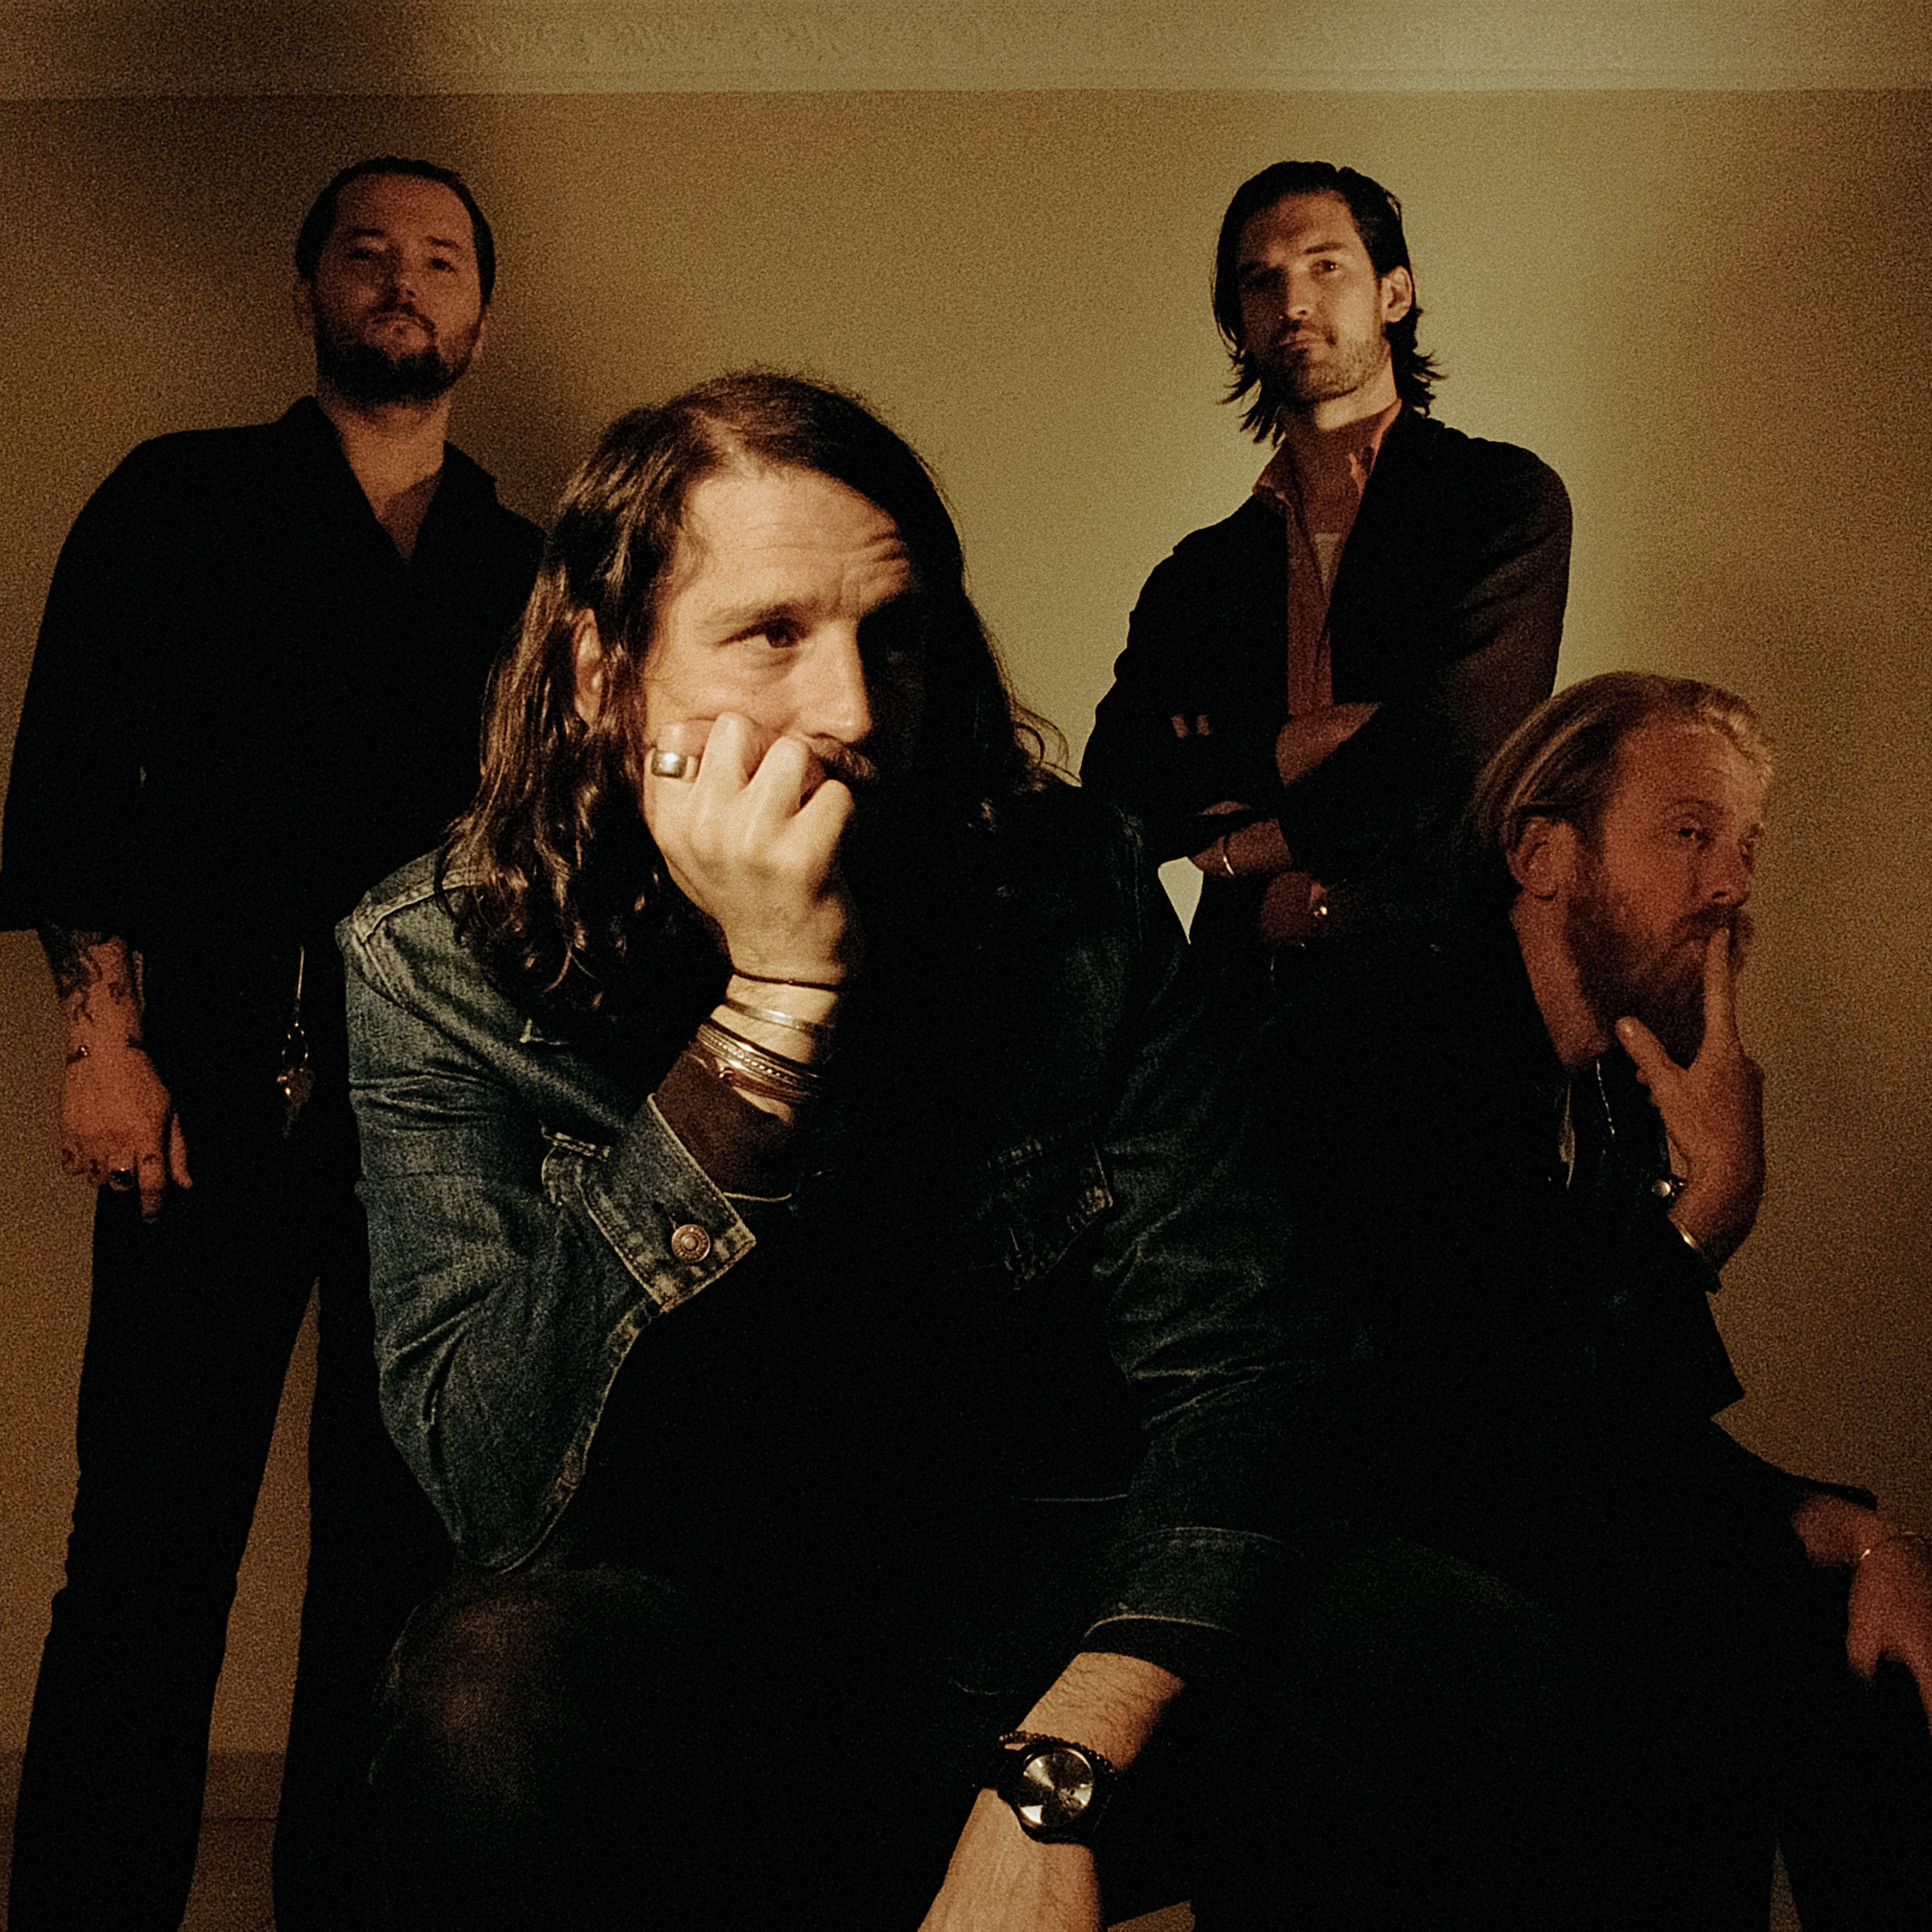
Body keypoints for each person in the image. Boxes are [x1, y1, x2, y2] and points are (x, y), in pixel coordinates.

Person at [340, 373, 1633, 1931]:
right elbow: (496, 1488)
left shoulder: (1070, 894)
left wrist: (1064, 1763)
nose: (851, 708)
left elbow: (1247, 1372)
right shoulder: (435, 960)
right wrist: (767, 1014)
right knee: (486, 1696)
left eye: (891, 636)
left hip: (1037, 1610)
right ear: (609, 676)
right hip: (690, 1639)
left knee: (1454, 1650)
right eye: (771, 635)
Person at [0, 157, 543, 1930]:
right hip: (207, 1100)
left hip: (451, 1135)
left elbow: (567, 859)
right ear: (304, 289)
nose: (404, 278)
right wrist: (103, 1044)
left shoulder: (531, 571)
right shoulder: (178, 500)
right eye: (366, 251)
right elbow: (72, 785)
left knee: (397, 1573)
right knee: (144, 1557)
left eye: (440, 258)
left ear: (482, 317)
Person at [1255, 672, 1932, 1924]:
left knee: (1866, 1615)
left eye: (1746, 846)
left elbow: (1639, 1424)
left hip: (1497, 1507)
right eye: (1690, 832)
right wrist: (1705, 1211)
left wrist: (1863, 1537)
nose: (1729, 884)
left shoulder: (1609, 1087)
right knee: (1696, 1639)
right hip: (1348, 1550)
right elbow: (1472, 1429)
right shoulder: (1390, 1029)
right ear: (1542, 855)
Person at [1083, 160, 1571, 1004]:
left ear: (1394, 293)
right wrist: (1294, 745)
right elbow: (1120, 789)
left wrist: (1241, 845)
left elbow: (1458, 762)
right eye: (1260, 281)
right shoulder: (1197, 576)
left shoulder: (1499, 502)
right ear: (1239, 325)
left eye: (1325, 265)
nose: (1293, 301)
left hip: (1441, 1013)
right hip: (1241, 1027)